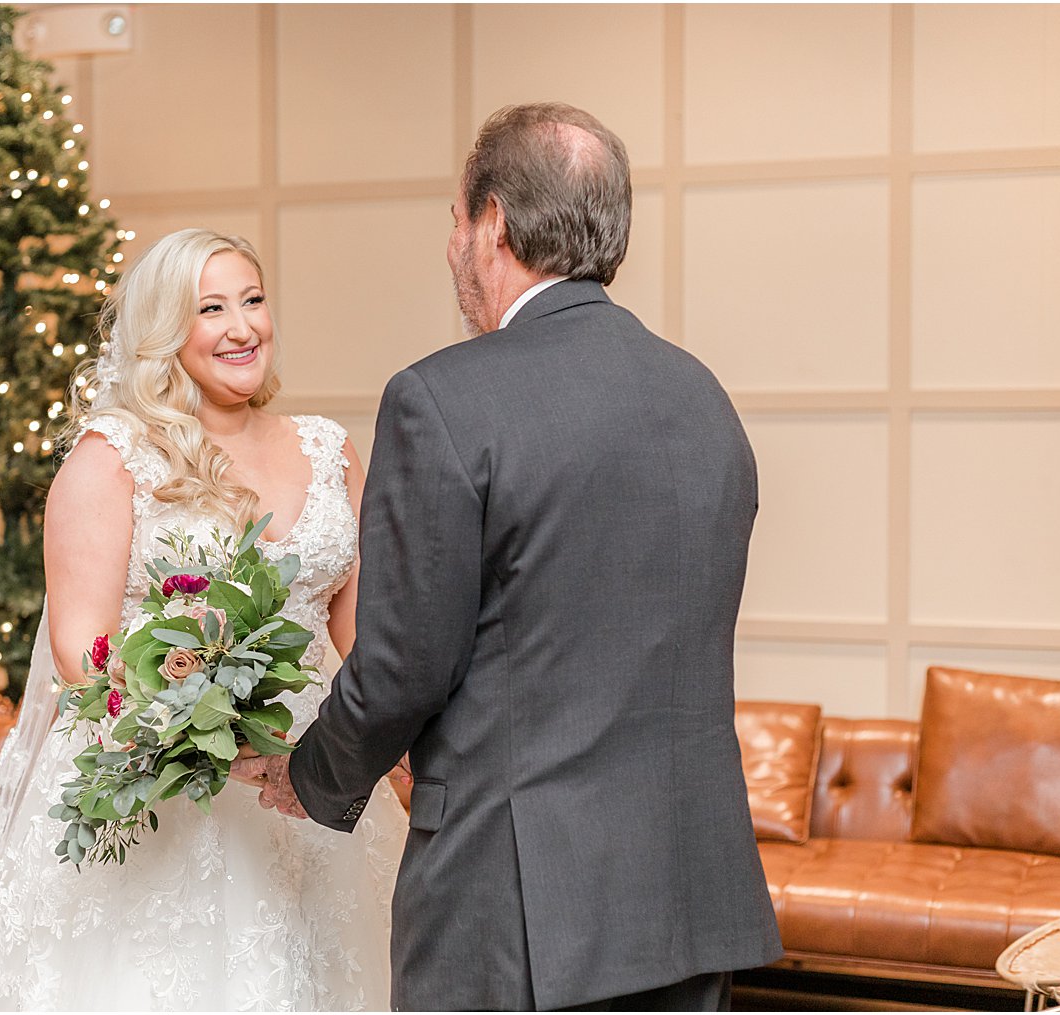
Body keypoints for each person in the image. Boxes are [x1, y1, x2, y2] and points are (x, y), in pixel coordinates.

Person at [238, 102, 784, 1011]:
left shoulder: (442, 399)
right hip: (688, 894)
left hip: (513, 904)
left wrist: (313, 773)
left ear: (491, 221)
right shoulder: (702, 396)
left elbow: (404, 665)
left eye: (454, 218)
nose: (451, 243)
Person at [0, 229, 408, 1011]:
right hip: (159, 792)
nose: (242, 326)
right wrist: (211, 741)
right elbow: (82, 657)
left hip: (310, 783)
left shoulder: (329, 449)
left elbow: (365, 643)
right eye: (211, 308)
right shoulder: (112, 458)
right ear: (164, 332)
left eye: (253, 301)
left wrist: (391, 758)